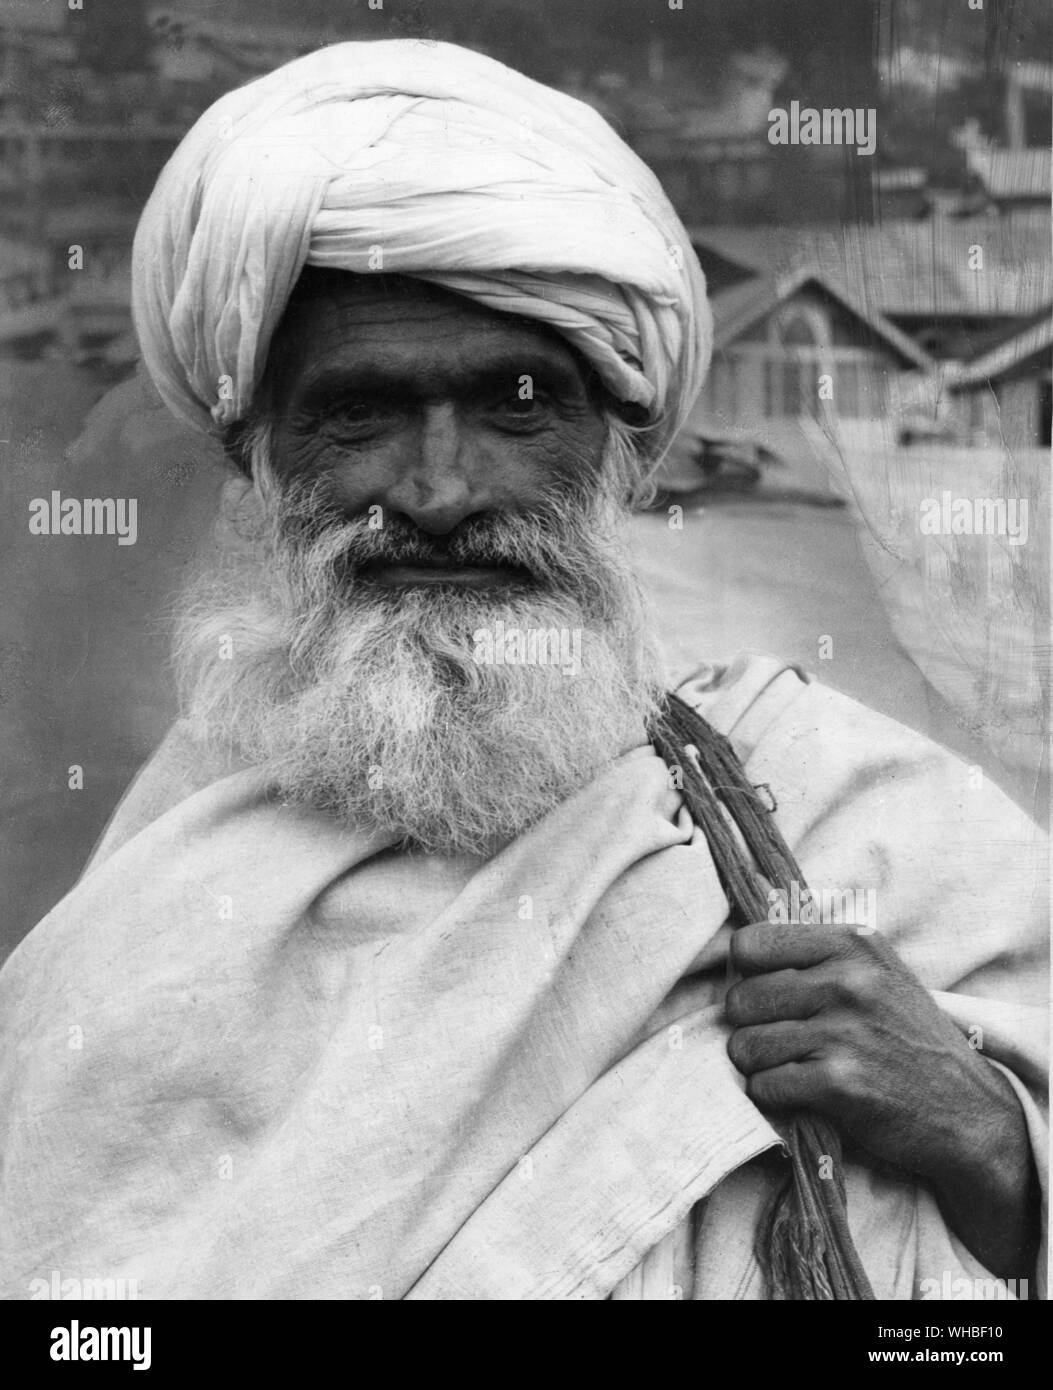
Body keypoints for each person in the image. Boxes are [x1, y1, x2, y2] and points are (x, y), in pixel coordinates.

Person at [0, 40, 1045, 1301]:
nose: (440, 492)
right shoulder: (150, 914)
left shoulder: (849, 815)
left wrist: (997, 1145)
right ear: (259, 459)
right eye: (361, 412)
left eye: (516, 402)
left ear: (619, 448)